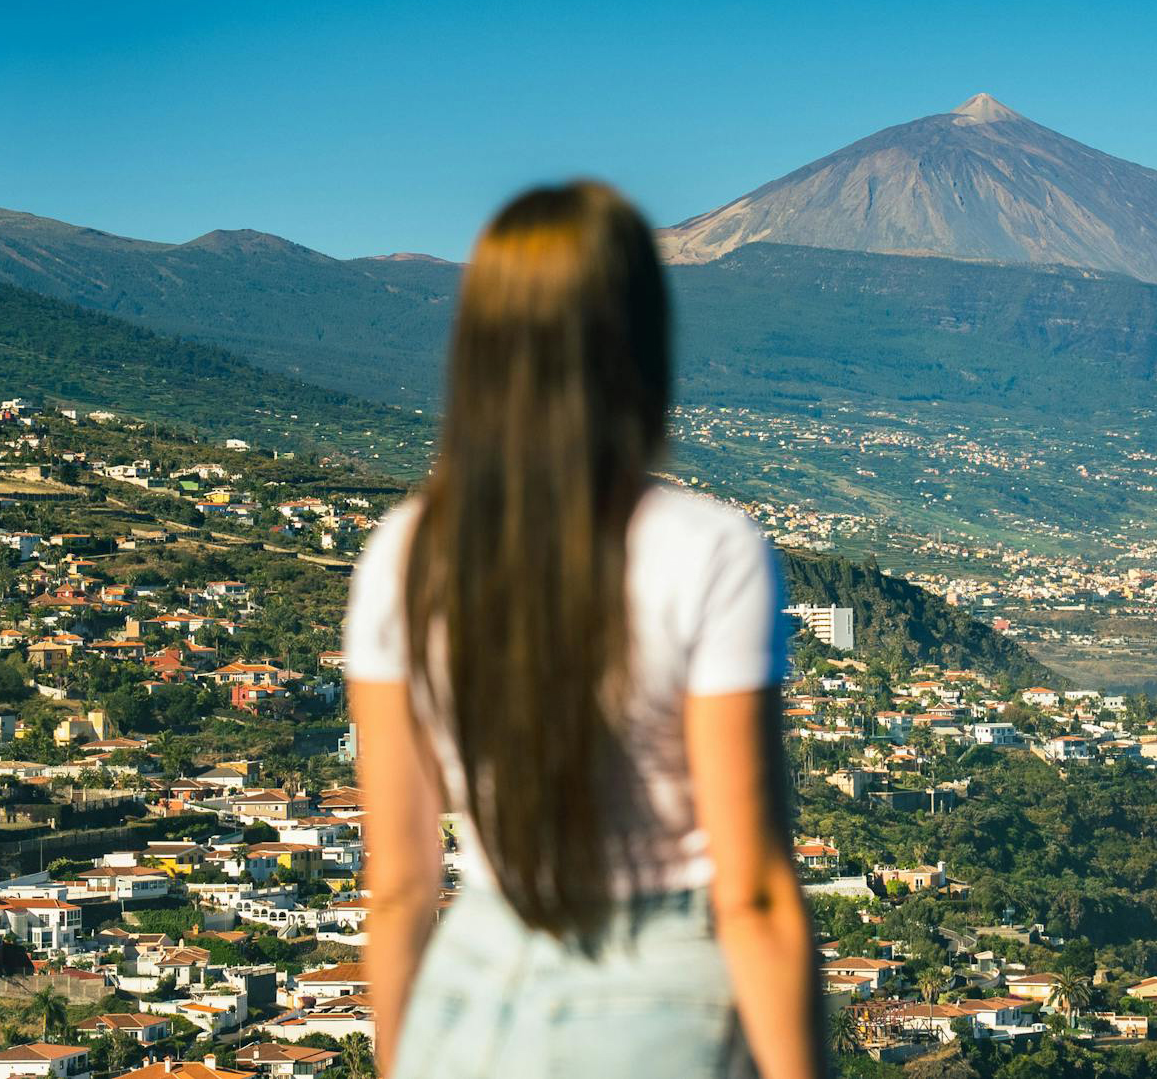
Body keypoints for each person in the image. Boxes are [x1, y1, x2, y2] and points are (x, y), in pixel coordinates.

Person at [344, 181, 822, 1078]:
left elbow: (400, 887)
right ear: (638, 341)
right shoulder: (707, 549)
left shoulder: (402, 552)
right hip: (660, 990)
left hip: (468, 995)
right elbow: (753, 892)